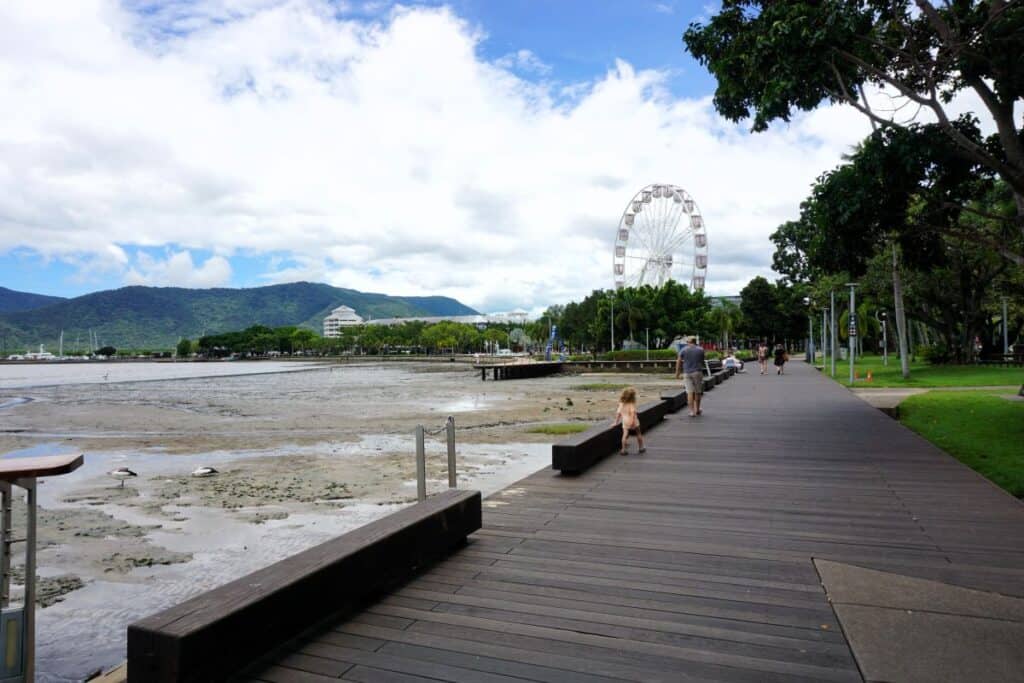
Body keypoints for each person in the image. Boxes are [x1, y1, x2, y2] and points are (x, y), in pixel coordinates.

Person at [613, 387, 646, 455]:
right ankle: (641, 448)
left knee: (624, 435)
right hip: (633, 420)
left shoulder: (621, 404)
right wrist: (632, 422)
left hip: (625, 420)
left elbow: (618, 413)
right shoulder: (631, 404)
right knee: (638, 433)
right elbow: (633, 414)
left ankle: (623, 449)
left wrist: (615, 422)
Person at [680, 336, 705, 416]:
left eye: (687, 341)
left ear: (690, 342)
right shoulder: (701, 349)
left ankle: (692, 411)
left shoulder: (683, 350)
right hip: (697, 372)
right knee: (698, 392)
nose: (686, 343)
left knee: (689, 392)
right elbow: (702, 361)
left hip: (687, 373)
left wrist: (677, 372)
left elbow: (679, 361)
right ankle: (697, 409)